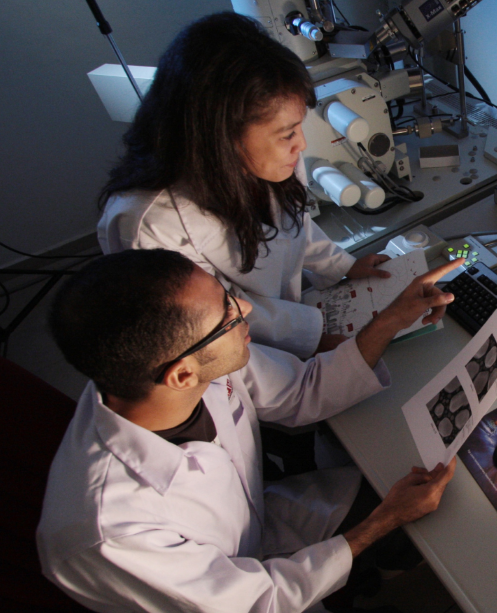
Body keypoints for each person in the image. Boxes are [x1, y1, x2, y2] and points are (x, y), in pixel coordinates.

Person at [37, 249, 462, 613]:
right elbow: (255, 609)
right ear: (182, 375)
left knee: (408, 489)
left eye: (226, 295)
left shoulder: (188, 362)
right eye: (227, 314)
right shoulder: (112, 529)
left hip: (257, 529)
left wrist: (390, 318)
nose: (243, 308)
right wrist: (380, 523)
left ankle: (381, 562)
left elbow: (302, 391)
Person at [98, 11, 387, 359]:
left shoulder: (272, 160)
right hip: (232, 358)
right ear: (223, 137)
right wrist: (311, 339)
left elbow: (296, 228)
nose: (302, 146)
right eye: (287, 134)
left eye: (298, 127)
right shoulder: (148, 225)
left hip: (290, 326)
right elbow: (218, 315)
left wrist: (342, 265)